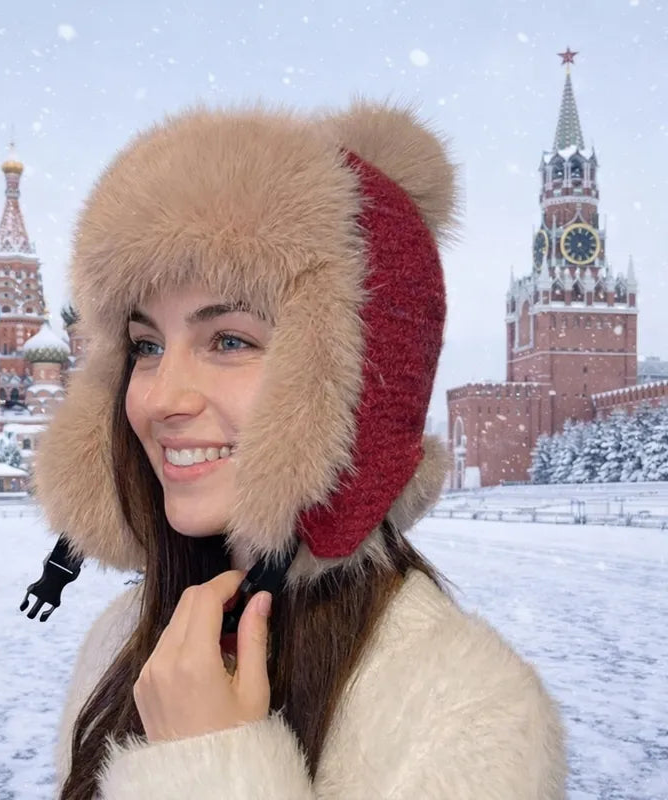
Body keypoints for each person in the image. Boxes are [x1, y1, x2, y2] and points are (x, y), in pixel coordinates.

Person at [35, 100, 567, 799]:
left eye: (229, 340)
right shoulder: (126, 634)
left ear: (357, 397)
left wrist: (208, 766)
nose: (161, 398)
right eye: (146, 346)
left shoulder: (467, 712)